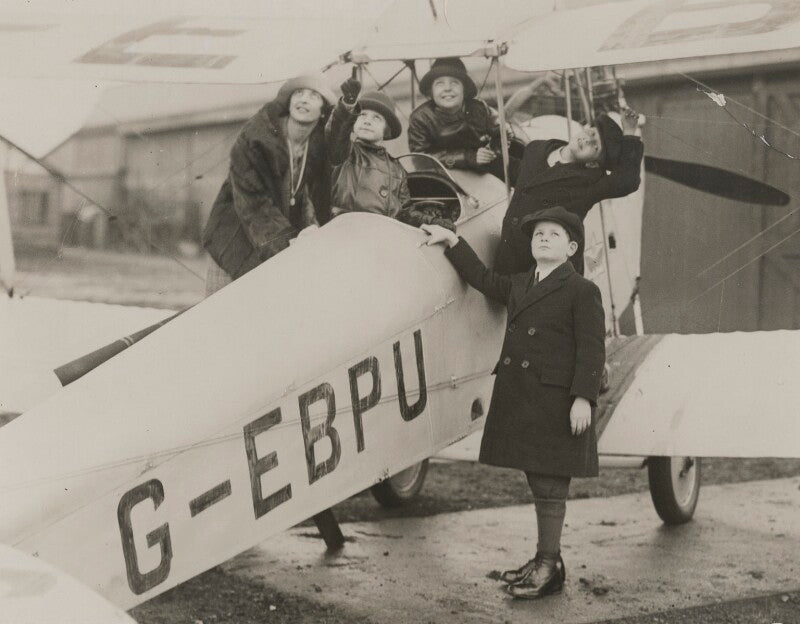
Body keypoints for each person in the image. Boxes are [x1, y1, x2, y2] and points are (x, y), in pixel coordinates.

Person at [422, 206, 605, 600]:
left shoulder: (582, 290)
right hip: (527, 398)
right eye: (538, 233)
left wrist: (583, 399)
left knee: (551, 483)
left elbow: (592, 350)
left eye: (554, 234)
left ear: (571, 248)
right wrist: (453, 241)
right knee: (540, 480)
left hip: (558, 401)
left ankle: (548, 564)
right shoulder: (522, 283)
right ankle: (546, 561)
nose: (542, 238)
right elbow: (483, 279)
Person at [201, 74, 336, 294]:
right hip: (233, 238)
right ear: (288, 102)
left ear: (323, 111)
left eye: (313, 95)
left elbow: (312, 195)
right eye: (298, 93)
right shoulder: (254, 139)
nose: (303, 99)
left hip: (274, 243)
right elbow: (253, 204)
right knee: (222, 316)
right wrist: (289, 243)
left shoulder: (316, 147)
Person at [495, 109, 643, 276]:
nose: (587, 140)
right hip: (509, 255)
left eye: (595, 147)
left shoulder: (588, 183)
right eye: (592, 133)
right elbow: (521, 175)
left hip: (549, 272)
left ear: (593, 164)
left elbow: (627, 181)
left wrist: (630, 133)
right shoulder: (536, 148)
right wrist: (477, 158)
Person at [407, 57, 514, 181]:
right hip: (442, 176)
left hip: (482, 171)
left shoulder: (480, 109)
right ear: (431, 91)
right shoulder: (420, 118)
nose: (447, 88)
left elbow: (505, 132)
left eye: (454, 82)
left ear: (465, 89)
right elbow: (420, 159)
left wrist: (491, 152)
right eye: (440, 83)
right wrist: (467, 157)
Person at [326, 71, 410, 219]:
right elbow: (336, 130)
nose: (367, 121)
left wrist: (431, 220)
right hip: (346, 230)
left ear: (386, 130)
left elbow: (404, 211)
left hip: (383, 234)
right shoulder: (345, 152)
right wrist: (348, 104)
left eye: (376, 118)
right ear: (354, 122)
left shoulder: (398, 170)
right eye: (362, 115)